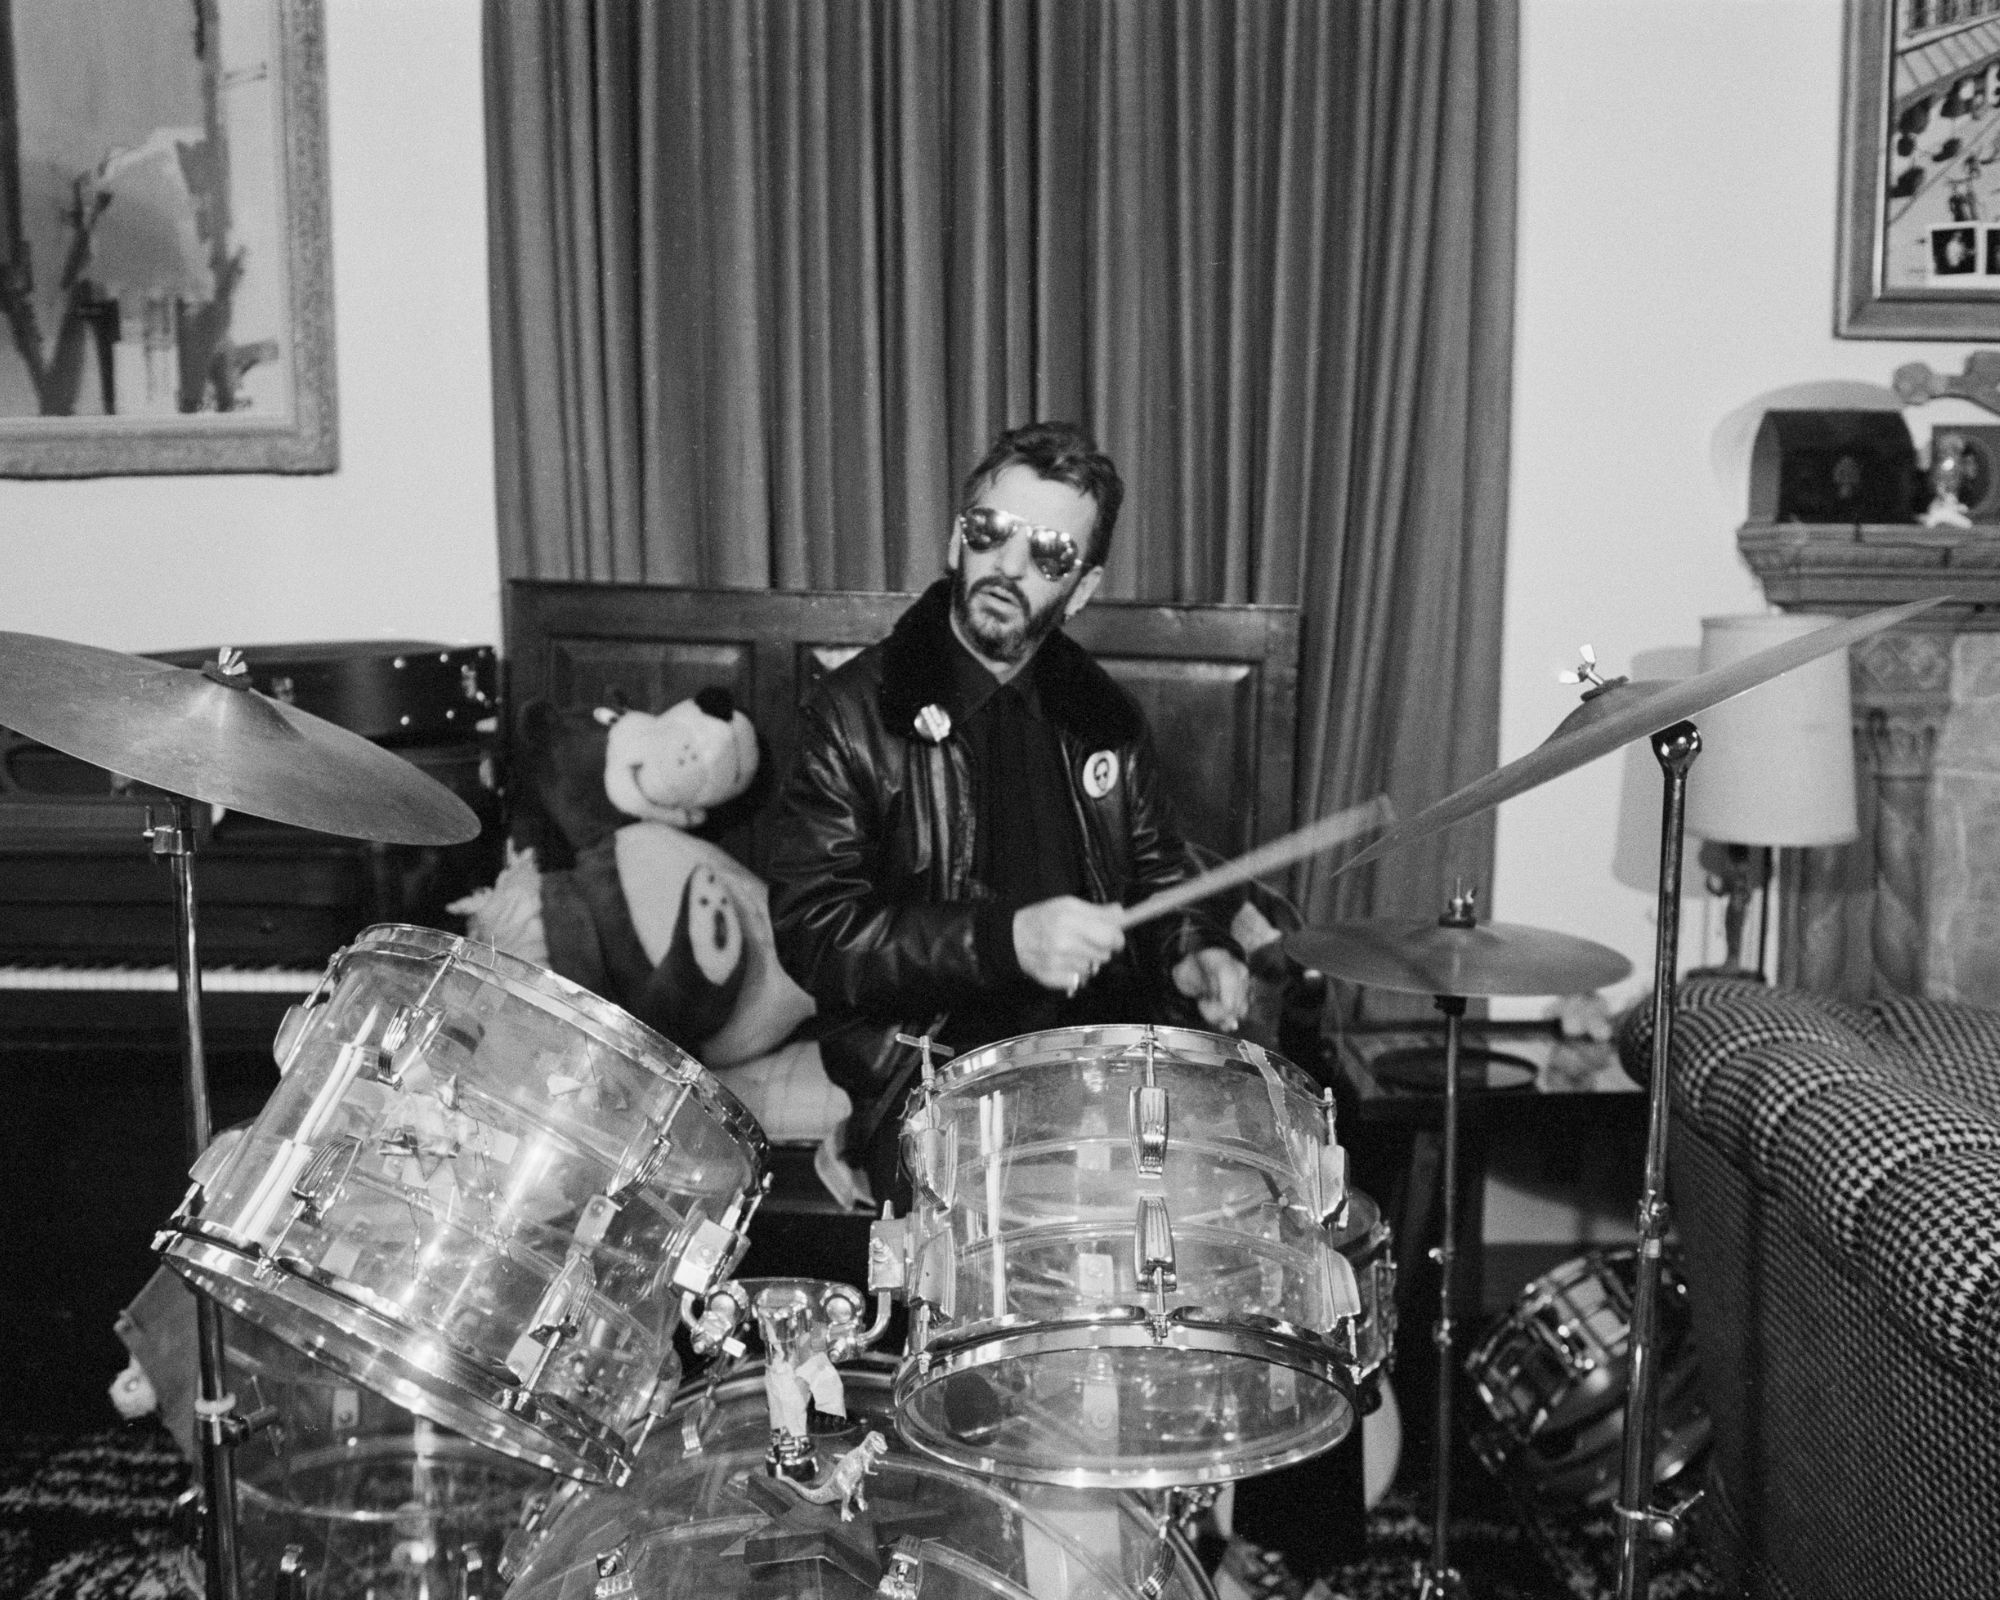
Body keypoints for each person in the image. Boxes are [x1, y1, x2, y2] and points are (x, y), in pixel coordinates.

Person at [766, 419, 1250, 1200]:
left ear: (1081, 587)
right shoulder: (854, 715)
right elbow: (815, 931)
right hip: (928, 1079)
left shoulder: (1105, 721)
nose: (1008, 565)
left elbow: (1160, 884)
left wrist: (1195, 952)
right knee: (1036, 1217)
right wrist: (1003, 940)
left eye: (1049, 553)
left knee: (1218, 1197)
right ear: (957, 541)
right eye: (991, 531)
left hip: (1098, 1066)